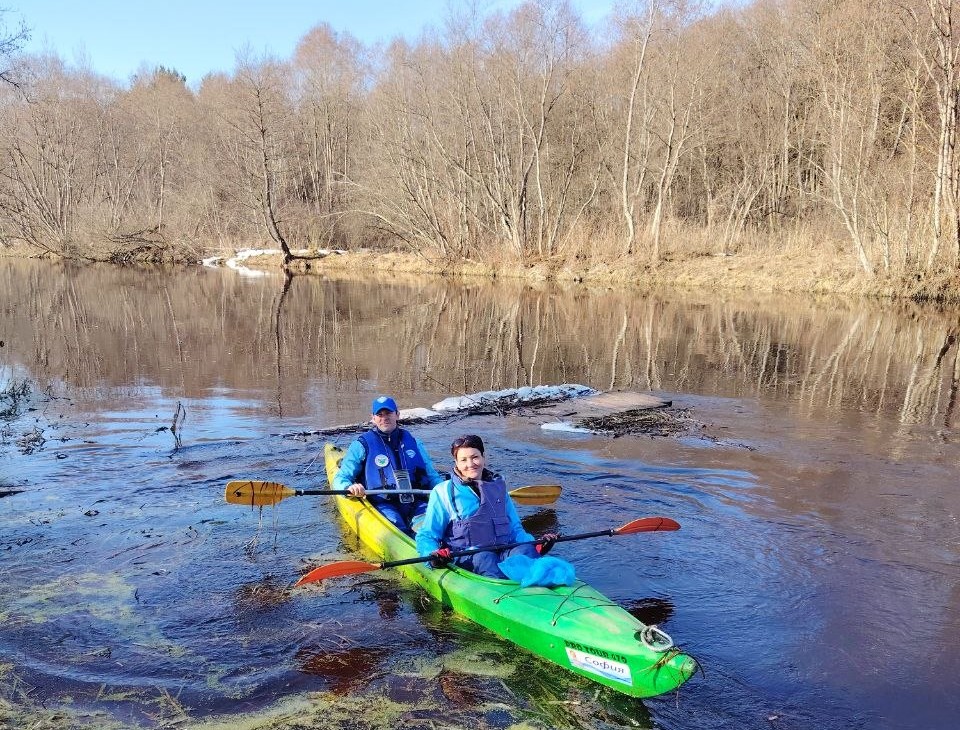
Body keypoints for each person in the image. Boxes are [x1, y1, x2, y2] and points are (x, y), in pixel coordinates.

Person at [415, 434, 557, 578]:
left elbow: (515, 529)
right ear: (456, 463)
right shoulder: (442, 492)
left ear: (483, 457)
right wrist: (432, 555)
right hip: (468, 557)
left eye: (475, 457)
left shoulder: (499, 488)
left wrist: (535, 545)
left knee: (526, 550)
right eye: (463, 460)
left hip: (503, 550)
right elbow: (427, 535)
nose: (470, 464)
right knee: (485, 558)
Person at [332, 395, 444, 535]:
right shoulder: (361, 445)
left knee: (433, 530)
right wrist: (349, 487)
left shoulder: (415, 443)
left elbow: (432, 476)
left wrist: (446, 491)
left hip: (416, 502)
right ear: (373, 418)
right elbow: (341, 478)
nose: (384, 417)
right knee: (399, 529)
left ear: (397, 414)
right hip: (384, 505)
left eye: (389, 413)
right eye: (380, 414)